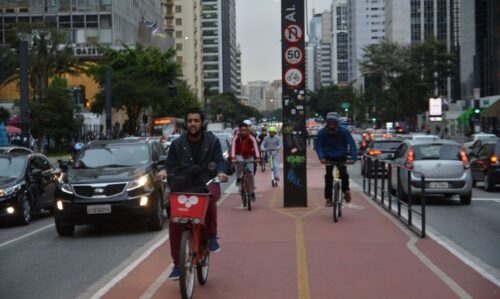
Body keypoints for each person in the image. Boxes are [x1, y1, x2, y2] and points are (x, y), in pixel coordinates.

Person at [156, 108, 228, 280]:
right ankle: (177, 264)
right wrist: (164, 171)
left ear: (201, 123)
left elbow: (220, 160)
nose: (193, 124)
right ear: (186, 124)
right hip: (184, 184)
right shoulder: (177, 143)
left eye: (196, 120)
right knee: (174, 222)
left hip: (207, 182)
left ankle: (211, 237)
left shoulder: (212, 142)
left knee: (209, 198)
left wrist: (221, 172)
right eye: (190, 121)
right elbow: (170, 163)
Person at [316, 112, 357, 206]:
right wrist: (321, 157)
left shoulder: (344, 131)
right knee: (328, 176)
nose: (331, 126)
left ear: (337, 123)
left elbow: (351, 144)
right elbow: (319, 145)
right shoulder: (322, 132)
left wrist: (353, 158)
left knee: (344, 174)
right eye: (329, 123)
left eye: (333, 123)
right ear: (327, 123)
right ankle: (328, 198)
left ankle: (346, 191)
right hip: (328, 157)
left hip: (341, 155)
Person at [230, 121, 260, 202]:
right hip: (239, 155)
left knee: (251, 175)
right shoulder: (236, 137)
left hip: (249, 156)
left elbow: (256, 147)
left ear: (248, 130)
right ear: (239, 130)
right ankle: (239, 178)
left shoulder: (251, 137)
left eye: (245, 130)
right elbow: (232, 148)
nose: (243, 132)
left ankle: (252, 192)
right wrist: (233, 158)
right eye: (241, 130)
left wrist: (257, 158)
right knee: (239, 163)